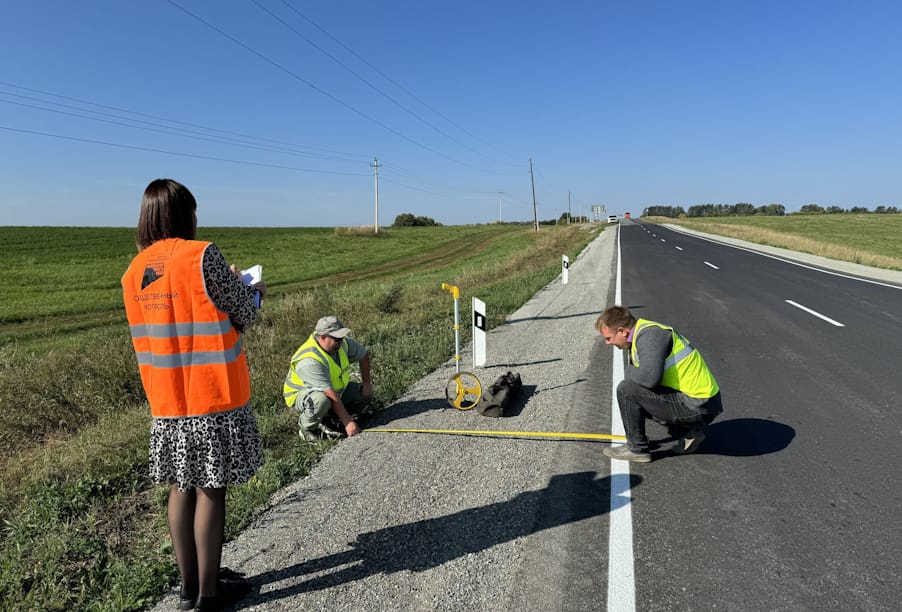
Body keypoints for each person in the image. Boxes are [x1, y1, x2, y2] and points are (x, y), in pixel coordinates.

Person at [121, 179, 265, 611]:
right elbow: (241, 313)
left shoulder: (134, 272)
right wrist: (251, 290)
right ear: (185, 214)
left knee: (182, 487)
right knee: (211, 489)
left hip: (166, 402)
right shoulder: (202, 256)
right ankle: (210, 595)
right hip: (212, 395)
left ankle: (188, 587)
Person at [596, 305, 722, 463]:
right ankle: (689, 433)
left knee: (627, 390)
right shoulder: (642, 334)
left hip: (699, 404)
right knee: (640, 391)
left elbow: (649, 378)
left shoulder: (650, 336)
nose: (608, 343)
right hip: (702, 401)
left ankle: (637, 449)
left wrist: (630, 370)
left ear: (622, 331)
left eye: (609, 338)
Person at [283, 316, 373, 443]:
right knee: (321, 401)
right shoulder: (309, 360)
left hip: (334, 391)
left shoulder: (342, 344)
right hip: (303, 396)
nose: (340, 342)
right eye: (337, 339)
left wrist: (366, 383)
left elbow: (363, 354)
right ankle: (307, 428)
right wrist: (348, 422)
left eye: (341, 337)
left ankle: (330, 419)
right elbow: (328, 393)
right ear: (323, 337)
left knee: (362, 395)